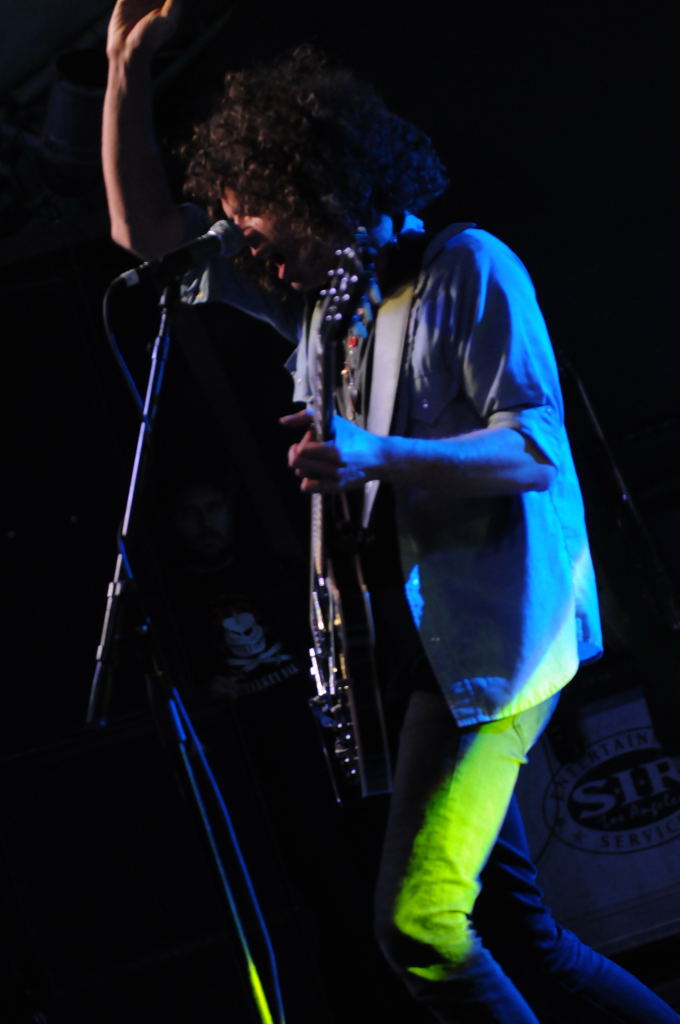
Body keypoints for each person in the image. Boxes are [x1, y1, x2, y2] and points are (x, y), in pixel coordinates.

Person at [102, 3, 680, 1021]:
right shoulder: (317, 312)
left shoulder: (466, 268)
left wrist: (378, 454)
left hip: (496, 644)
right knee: (516, 934)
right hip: (414, 658)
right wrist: (123, 79)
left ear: (309, 188)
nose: (244, 246)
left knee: (419, 926)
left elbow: (535, 452)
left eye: (252, 220)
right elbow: (143, 238)